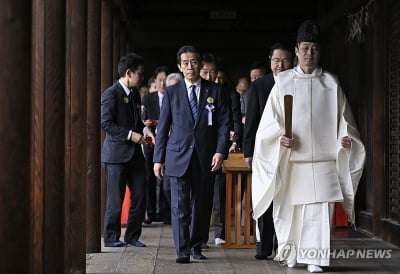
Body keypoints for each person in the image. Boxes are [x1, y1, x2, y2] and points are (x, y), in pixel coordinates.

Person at [251, 20, 366, 273]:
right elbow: (268, 126)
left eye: (314, 48)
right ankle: (291, 254)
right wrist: (280, 138)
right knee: (290, 211)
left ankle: (315, 258)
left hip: (324, 160)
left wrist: (345, 139)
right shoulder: (282, 83)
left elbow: (345, 121)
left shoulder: (331, 83)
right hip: (292, 161)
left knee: (320, 213)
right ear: (297, 50)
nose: (309, 53)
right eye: (305, 48)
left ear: (319, 51)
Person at [153, 45, 230, 264]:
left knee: (202, 205)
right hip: (177, 156)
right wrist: (158, 159)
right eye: (185, 63)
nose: (190, 67)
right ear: (179, 66)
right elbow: (163, 127)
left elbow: (224, 124)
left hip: (205, 157)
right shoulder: (172, 92)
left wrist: (220, 151)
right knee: (180, 206)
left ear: (200, 64)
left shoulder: (214, 91)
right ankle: (182, 250)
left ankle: (197, 246)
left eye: (194, 62)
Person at [242, 41, 294, 260]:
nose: (280, 65)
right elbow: (251, 121)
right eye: (276, 60)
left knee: (286, 199)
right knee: (265, 197)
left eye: (285, 60)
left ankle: (284, 245)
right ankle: (264, 246)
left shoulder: (296, 83)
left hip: (291, 152)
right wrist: (248, 152)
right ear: (270, 61)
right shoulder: (260, 85)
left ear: (292, 62)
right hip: (264, 153)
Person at [101, 53, 155, 248]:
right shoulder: (111, 93)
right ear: (129, 73)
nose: (141, 78)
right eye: (139, 74)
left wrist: (144, 129)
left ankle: (132, 236)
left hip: (134, 155)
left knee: (141, 195)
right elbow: (105, 123)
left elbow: (137, 122)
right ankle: (111, 237)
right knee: (116, 198)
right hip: (116, 155)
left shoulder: (133, 94)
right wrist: (130, 135)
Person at [141, 66, 169, 224]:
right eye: (160, 80)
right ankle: (150, 212)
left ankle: (165, 213)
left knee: (165, 177)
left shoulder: (173, 97)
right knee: (149, 178)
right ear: (155, 81)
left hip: (167, 142)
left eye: (165, 80)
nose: (163, 83)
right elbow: (143, 119)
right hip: (150, 142)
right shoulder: (148, 98)